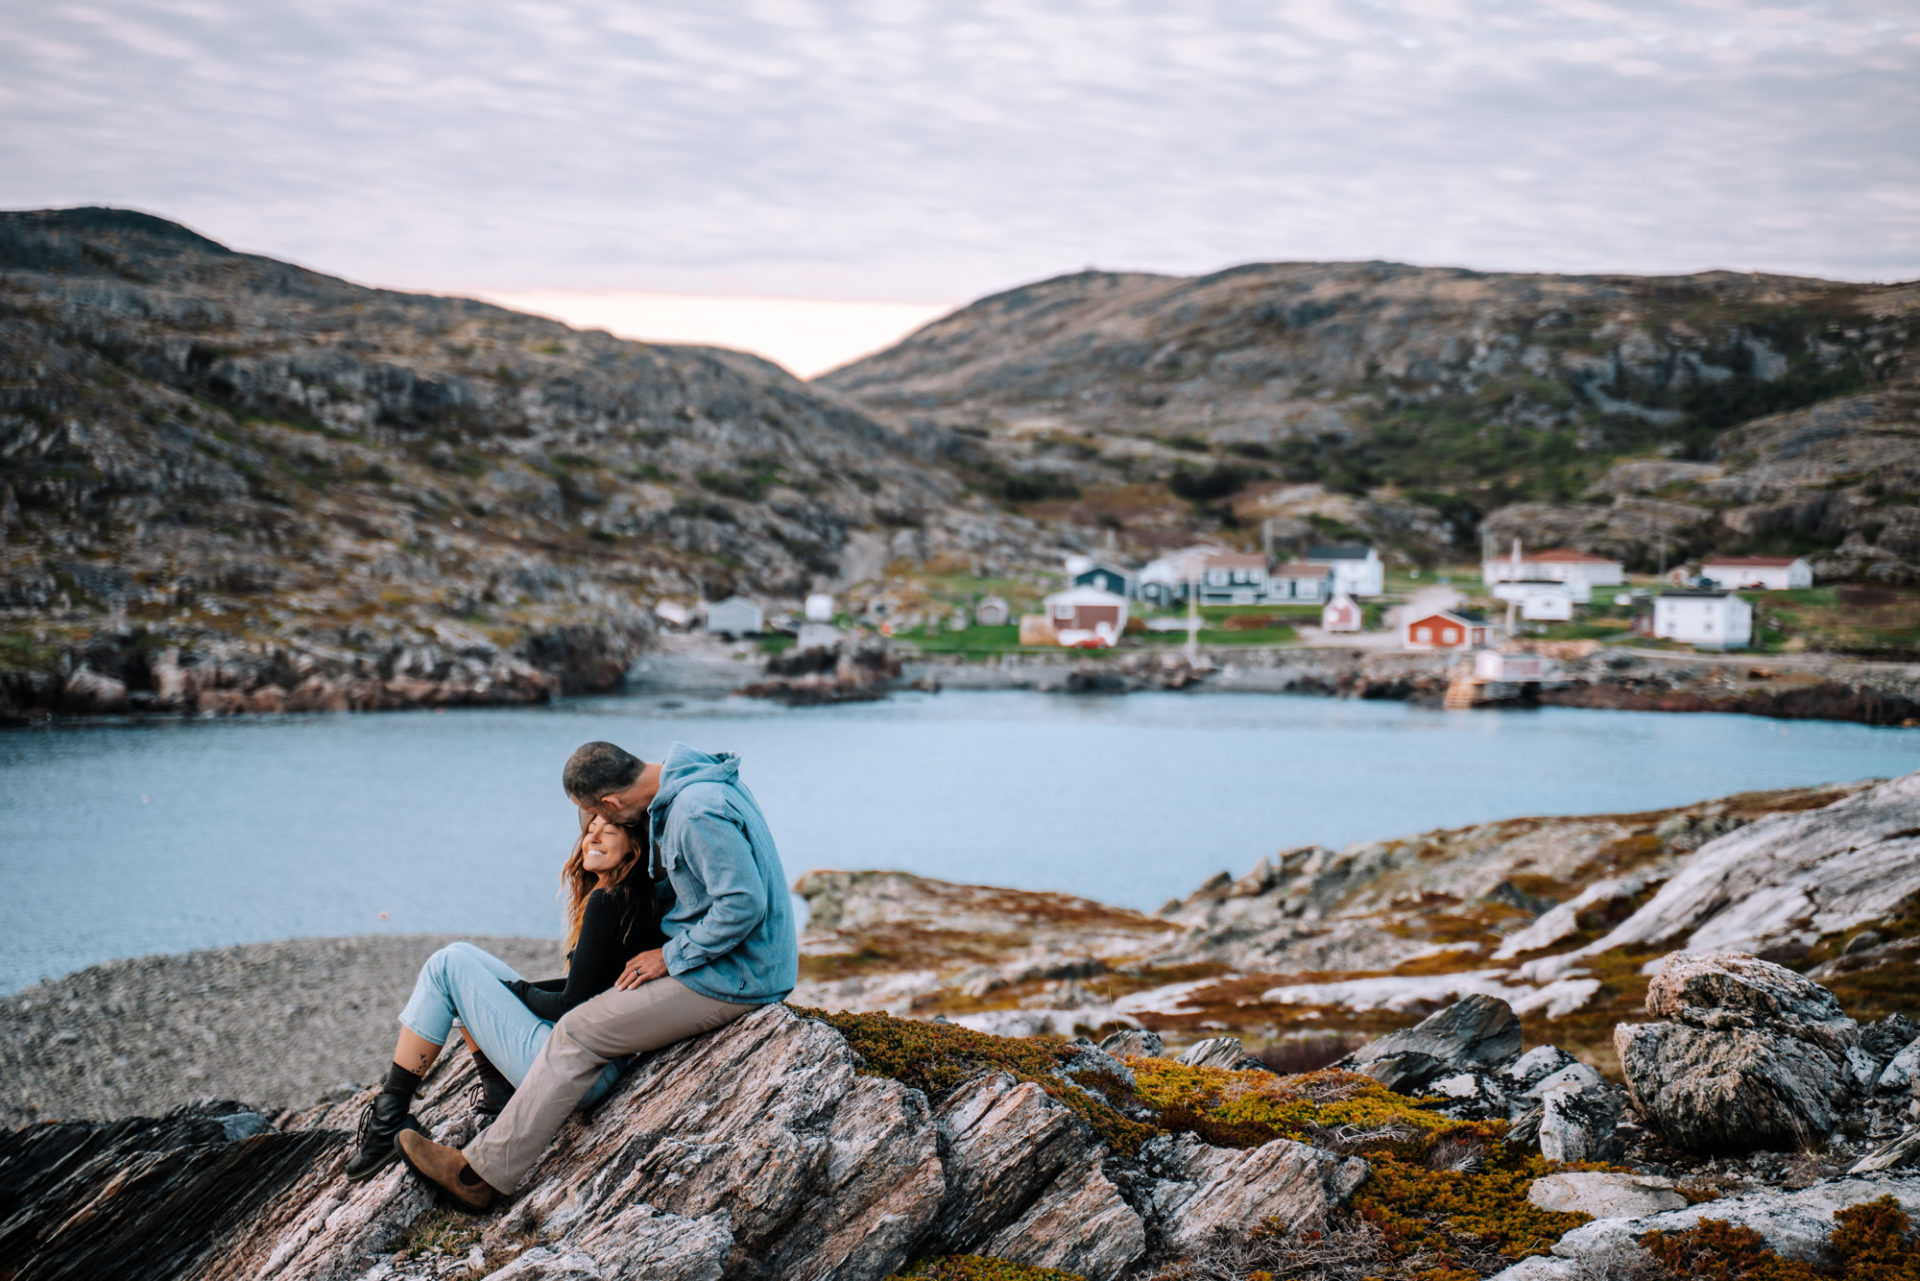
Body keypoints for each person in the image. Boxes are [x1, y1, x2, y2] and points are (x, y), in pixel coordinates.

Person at [395, 739, 797, 1208]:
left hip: (735, 974)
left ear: (611, 802)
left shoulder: (694, 811)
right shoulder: (692, 780)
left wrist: (670, 957)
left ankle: (477, 1175)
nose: (596, 828)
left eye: (596, 814)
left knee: (577, 1030)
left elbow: (742, 904)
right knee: (585, 1017)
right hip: (730, 961)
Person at [345, 809, 666, 1181]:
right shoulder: (634, 897)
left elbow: (571, 1004)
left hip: (578, 1071)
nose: (592, 838)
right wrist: (508, 993)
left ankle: (389, 1118)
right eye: (589, 830)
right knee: (464, 956)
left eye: (607, 832)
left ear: (634, 848)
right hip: (596, 1061)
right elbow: (588, 987)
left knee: (447, 966)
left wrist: (517, 992)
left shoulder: (607, 901)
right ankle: (498, 1094)